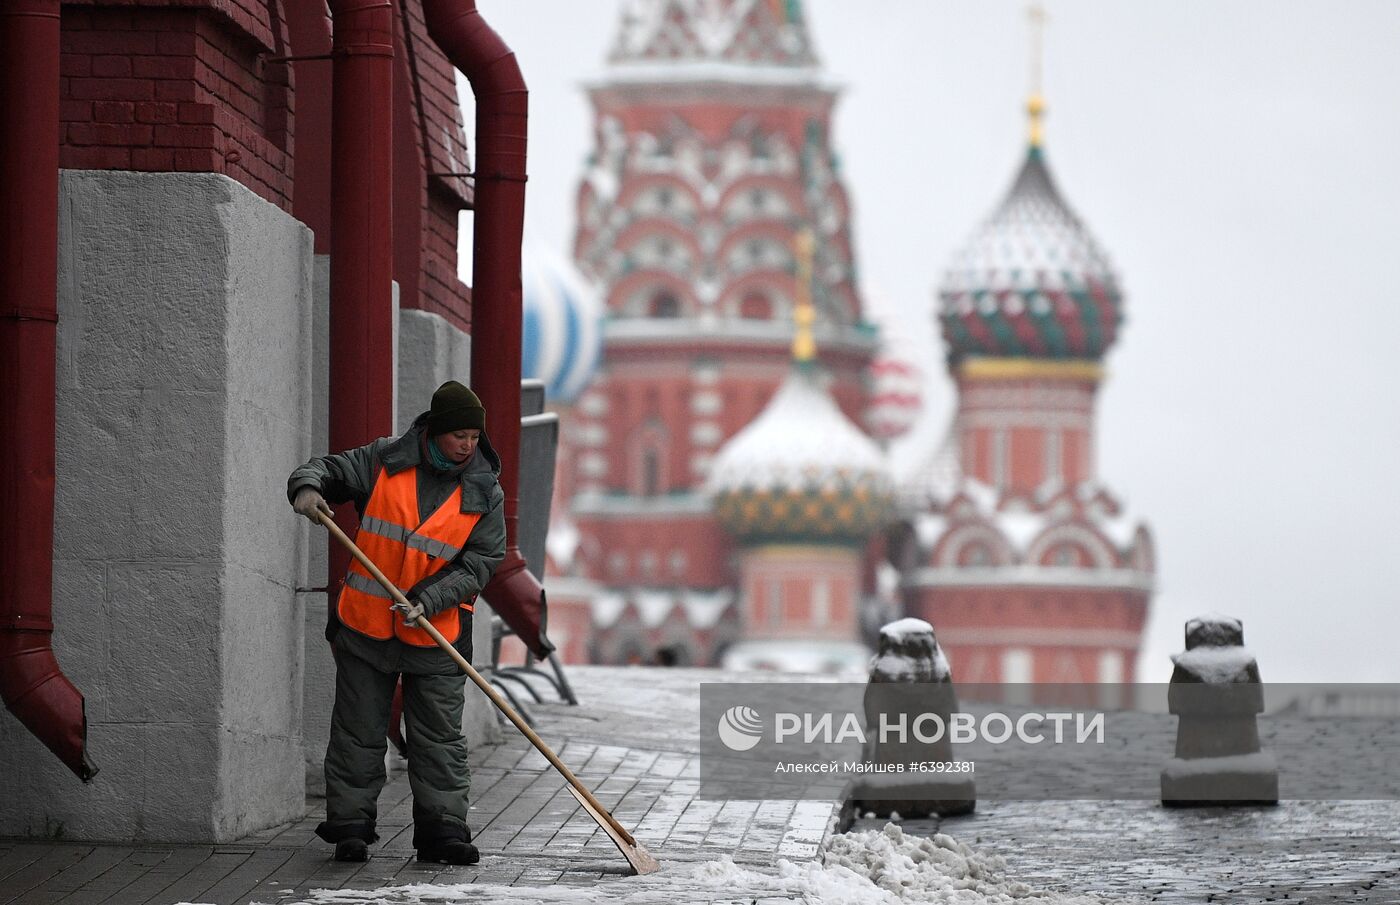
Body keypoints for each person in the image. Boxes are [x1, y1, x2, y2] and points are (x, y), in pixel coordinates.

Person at [287, 380, 505, 864]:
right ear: (435, 431)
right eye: (459, 436)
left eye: (474, 436)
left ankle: (443, 830)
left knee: (439, 737)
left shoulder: (484, 489)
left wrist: (429, 599)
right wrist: (306, 488)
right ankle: (349, 825)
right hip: (366, 628)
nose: (468, 445)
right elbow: (322, 468)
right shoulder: (386, 459)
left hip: (437, 634)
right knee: (357, 731)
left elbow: (482, 562)